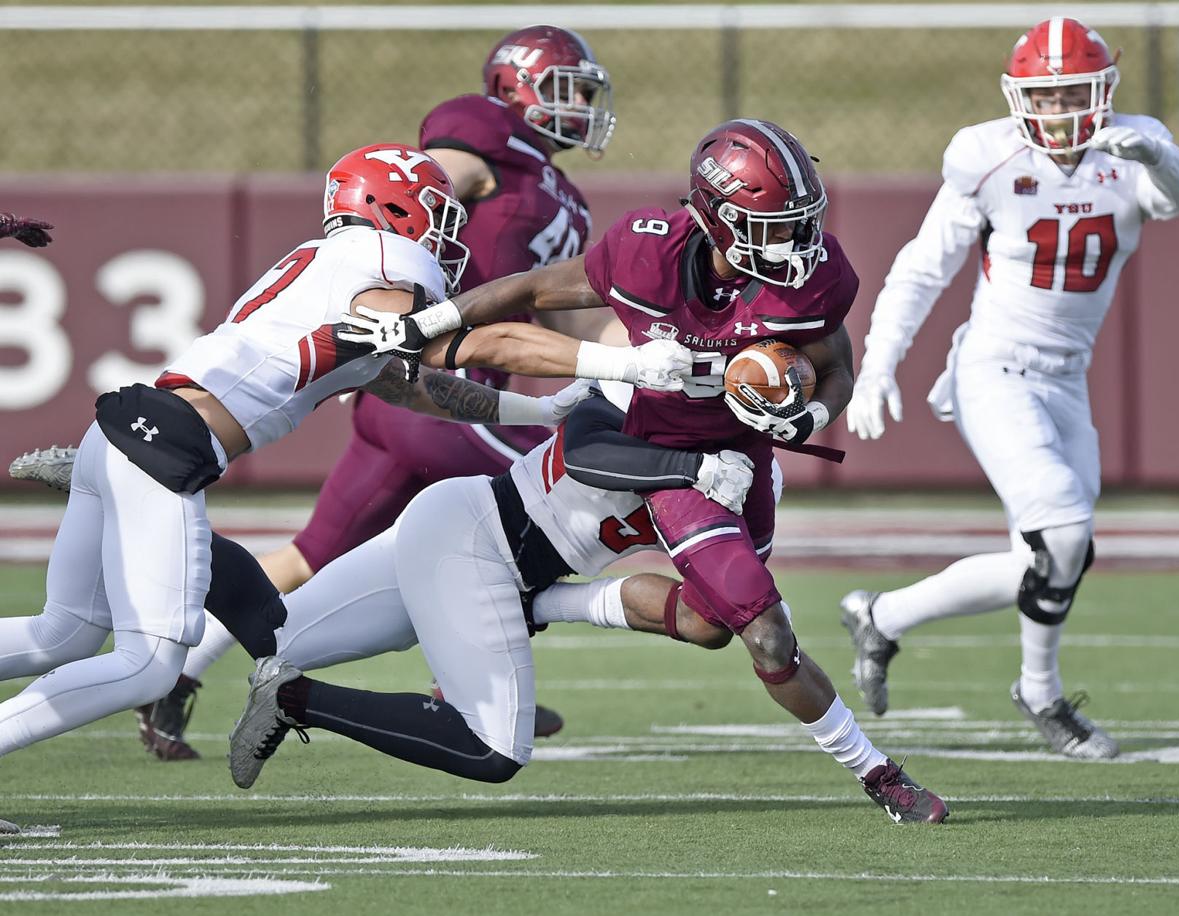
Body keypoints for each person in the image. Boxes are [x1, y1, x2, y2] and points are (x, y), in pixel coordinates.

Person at [0, 143, 688, 835]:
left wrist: (540, 409)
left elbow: (415, 385)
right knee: (147, 666)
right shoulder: (390, 260)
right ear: (389, 206)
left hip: (130, 431)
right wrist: (617, 361)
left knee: (63, 631)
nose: (445, 235)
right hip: (163, 445)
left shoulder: (328, 266)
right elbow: (429, 338)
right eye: (435, 213)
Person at [342, 119, 950, 822]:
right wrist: (428, 323)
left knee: (710, 624)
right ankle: (880, 775)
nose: (799, 243)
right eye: (777, 226)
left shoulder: (812, 276)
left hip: (747, 458)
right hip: (674, 465)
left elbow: (835, 365)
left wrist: (809, 419)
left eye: (800, 223)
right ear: (721, 220)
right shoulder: (645, 255)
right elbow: (532, 288)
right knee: (769, 633)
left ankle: (539, 604)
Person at [139, 25, 615, 756]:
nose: (581, 105)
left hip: (423, 408)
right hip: (432, 389)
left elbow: (584, 320)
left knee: (311, 555)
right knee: (541, 512)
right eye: (570, 88)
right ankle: (464, 685)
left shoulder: (566, 197)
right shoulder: (485, 135)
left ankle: (174, 669)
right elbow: (416, 198)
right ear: (521, 85)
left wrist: (647, 362)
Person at [191, 384, 942, 822]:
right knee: (493, 749)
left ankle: (170, 536)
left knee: (275, 629)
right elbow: (586, 444)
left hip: (484, 558)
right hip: (470, 533)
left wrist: (553, 603)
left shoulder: (750, 489)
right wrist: (687, 462)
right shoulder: (649, 387)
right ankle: (157, 512)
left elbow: (722, 623)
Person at [839, 17, 1179, 758]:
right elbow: (921, 268)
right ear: (1018, 97)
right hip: (994, 368)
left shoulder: (1133, 148)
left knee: (1061, 555)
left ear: (1104, 91)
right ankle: (1038, 692)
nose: (1063, 109)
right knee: (1063, 530)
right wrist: (878, 365)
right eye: (1049, 94)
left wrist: (1157, 155)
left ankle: (885, 617)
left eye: (1076, 92)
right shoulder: (988, 156)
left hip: (1067, 380)